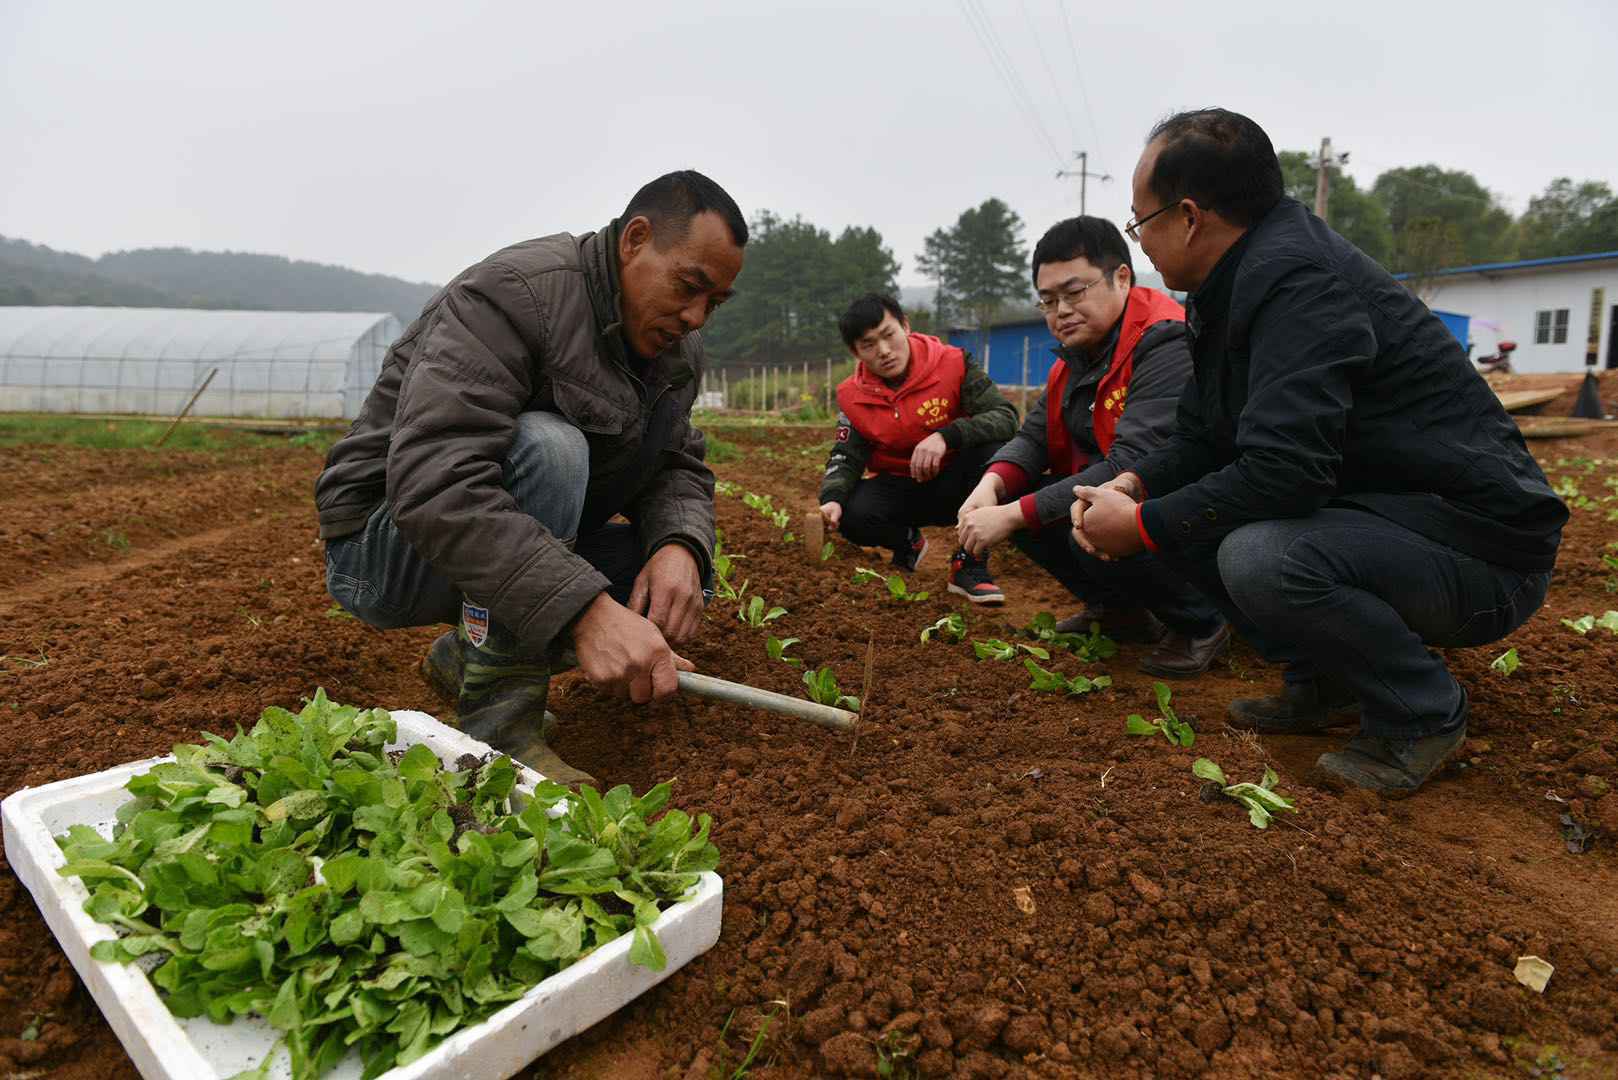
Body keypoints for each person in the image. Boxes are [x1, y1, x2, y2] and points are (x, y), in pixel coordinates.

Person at [1071, 109, 1567, 796]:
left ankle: (1422, 713)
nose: (1141, 241)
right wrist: (1134, 484)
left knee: (1260, 555)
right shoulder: (1231, 287)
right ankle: (1325, 681)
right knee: (1183, 515)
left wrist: (1143, 526)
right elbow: (1203, 439)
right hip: (1395, 523)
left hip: (1484, 557)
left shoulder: (1297, 282)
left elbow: (1287, 473)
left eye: (1139, 221)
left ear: (1188, 217)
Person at [315, 170, 747, 786]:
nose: (696, 317)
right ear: (635, 240)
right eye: (689, 286)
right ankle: (499, 726)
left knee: (675, 589)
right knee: (551, 448)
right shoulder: (515, 296)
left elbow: (675, 459)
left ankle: (470, 652)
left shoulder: (674, 352)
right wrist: (583, 612)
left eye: (716, 303)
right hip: (382, 546)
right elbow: (436, 481)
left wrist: (678, 546)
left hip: (482, 552)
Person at [955, 217, 1227, 675]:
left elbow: (1133, 464)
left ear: (1122, 277)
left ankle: (1200, 620)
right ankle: (1119, 612)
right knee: (1035, 504)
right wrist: (991, 487)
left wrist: (1011, 513)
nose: (1060, 310)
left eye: (1074, 292)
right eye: (1047, 300)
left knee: (1091, 513)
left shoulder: (1165, 343)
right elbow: (1033, 436)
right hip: (1137, 499)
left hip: (1198, 511)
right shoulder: (1077, 360)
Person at [818, 293, 1019, 603]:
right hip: (903, 489)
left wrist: (947, 435)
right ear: (855, 351)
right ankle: (907, 542)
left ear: (906, 326)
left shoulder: (954, 363)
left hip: (959, 485)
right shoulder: (852, 396)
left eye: (888, 335)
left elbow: (1005, 417)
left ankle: (969, 563)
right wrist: (832, 498)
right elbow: (847, 453)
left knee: (994, 452)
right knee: (850, 511)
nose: (883, 351)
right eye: (868, 344)